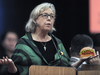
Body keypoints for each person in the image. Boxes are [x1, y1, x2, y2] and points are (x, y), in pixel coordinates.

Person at [0, 3, 71, 75]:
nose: (49, 19)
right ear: (35, 20)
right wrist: (11, 65)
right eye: (45, 15)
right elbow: (16, 71)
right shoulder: (23, 43)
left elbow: (68, 68)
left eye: (52, 16)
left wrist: (79, 61)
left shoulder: (58, 43)